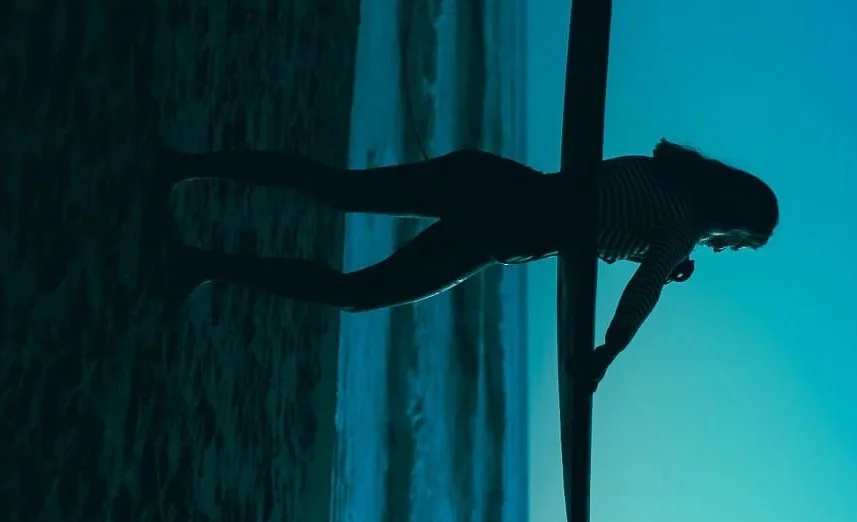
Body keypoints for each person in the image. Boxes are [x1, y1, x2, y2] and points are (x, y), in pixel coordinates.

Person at [152, 138, 778, 392]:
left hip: (485, 179)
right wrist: (604, 356)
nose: (729, 249)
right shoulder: (684, 226)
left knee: (339, 190)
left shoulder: (668, 172)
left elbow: (608, 215)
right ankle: (203, 263)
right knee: (356, 291)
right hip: (497, 229)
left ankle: (185, 165)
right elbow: (642, 289)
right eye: (741, 242)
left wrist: (662, 256)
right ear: (735, 221)